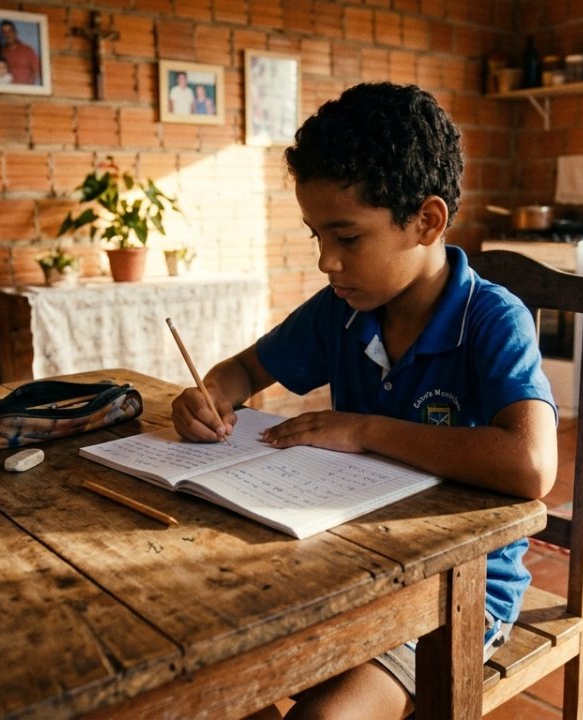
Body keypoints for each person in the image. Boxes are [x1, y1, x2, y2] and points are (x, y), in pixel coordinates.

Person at [170, 82, 557, 719]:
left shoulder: (491, 319)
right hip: (346, 565)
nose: (327, 262)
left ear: (427, 221)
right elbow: (241, 370)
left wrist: (364, 430)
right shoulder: (340, 313)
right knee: (209, 685)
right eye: (317, 236)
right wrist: (207, 396)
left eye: (347, 238)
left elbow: (531, 465)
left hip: (457, 590)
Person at [0, 20, 40, 85]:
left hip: (25, 88)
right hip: (7, 88)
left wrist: (28, 87)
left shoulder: (28, 50)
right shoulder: (1, 53)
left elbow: (36, 71)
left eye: (10, 31)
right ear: (2, 35)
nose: (8, 35)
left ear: (15, 32)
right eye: (4, 32)